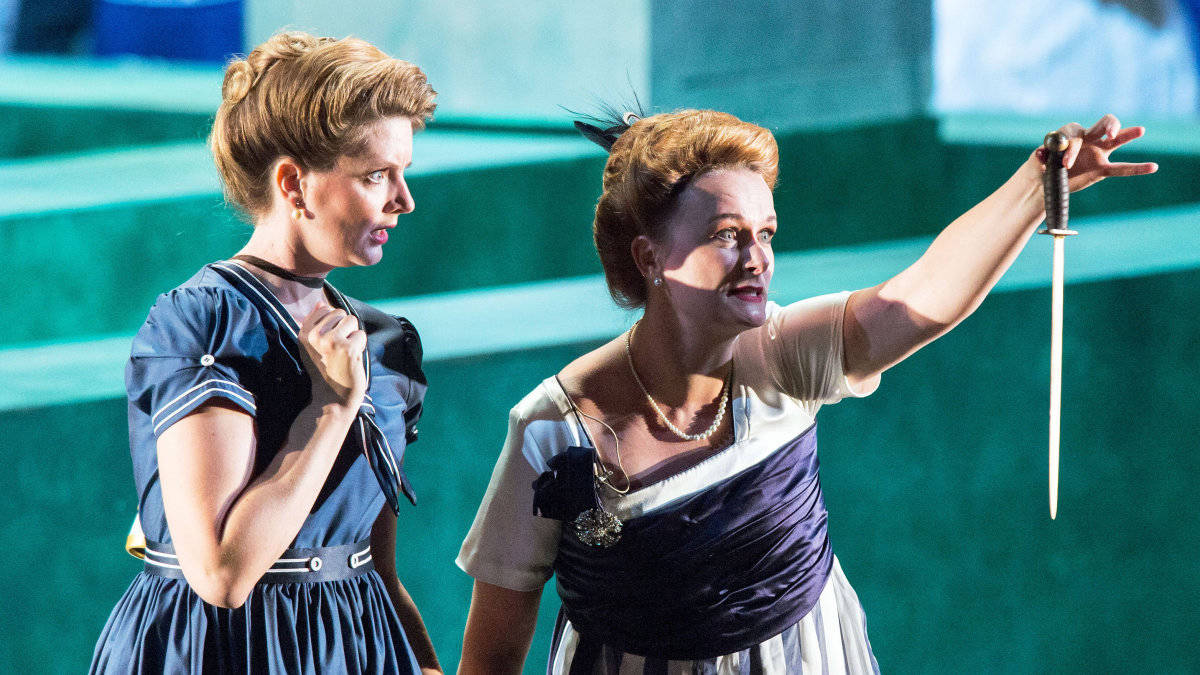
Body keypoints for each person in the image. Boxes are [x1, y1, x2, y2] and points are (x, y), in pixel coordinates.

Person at [455, 109, 1156, 673]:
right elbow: (489, 660)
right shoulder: (552, 430)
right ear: (649, 257)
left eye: (766, 233)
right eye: (727, 235)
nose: (757, 258)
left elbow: (924, 297)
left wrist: (1036, 185)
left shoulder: (785, 353)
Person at [90, 32, 442, 674]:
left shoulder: (385, 342)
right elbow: (221, 575)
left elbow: (376, 567)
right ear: (293, 184)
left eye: (404, 173)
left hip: (356, 646)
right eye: (375, 175)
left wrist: (424, 663)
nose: (403, 200)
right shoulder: (205, 324)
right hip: (219, 649)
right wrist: (329, 410)